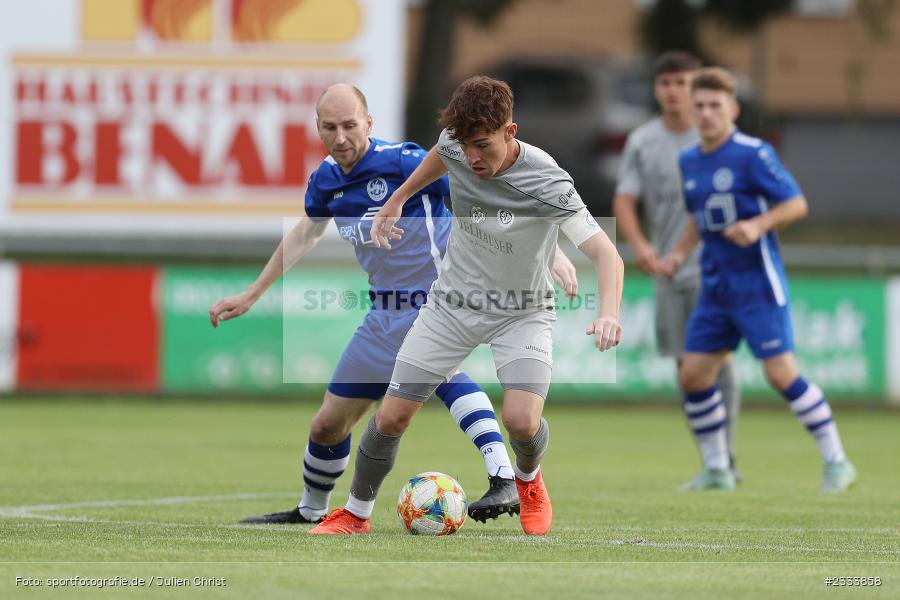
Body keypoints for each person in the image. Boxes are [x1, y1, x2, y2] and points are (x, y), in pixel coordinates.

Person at [209, 84, 580, 524]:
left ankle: (503, 476)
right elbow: (306, 233)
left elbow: (488, 195)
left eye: (350, 125)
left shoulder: (402, 161)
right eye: (330, 127)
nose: (341, 136)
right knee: (327, 425)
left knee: (445, 380)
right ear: (318, 129)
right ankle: (311, 511)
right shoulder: (327, 179)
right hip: (381, 312)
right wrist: (253, 292)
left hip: (437, 298)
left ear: (369, 123)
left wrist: (550, 252)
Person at [309, 76, 623, 536]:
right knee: (392, 415)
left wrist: (609, 312)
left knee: (520, 421)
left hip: (523, 310)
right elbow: (439, 157)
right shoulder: (456, 146)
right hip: (450, 304)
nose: (472, 157)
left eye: (483, 145)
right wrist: (398, 199)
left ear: (510, 131)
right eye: (465, 145)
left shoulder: (548, 180)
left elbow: (605, 253)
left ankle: (529, 479)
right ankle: (355, 514)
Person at [658, 67, 856, 492]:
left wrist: (759, 225)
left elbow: (796, 203)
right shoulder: (689, 159)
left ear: (733, 109)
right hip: (716, 286)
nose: (707, 114)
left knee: (781, 375)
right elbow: (697, 216)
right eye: (701, 107)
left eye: (715, 106)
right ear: (691, 113)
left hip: (757, 284)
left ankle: (837, 461)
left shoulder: (754, 153)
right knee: (692, 375)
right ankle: (717, 469)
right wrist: (677, 253)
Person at [613, 52, 742, 484]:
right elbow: (625, 199)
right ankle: (712, 459)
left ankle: (726, 457)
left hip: (715, 268)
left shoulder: (718, 139)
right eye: (665, 82)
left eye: (681, 82)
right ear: (656, 89)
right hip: (667, 270)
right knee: (684, 367)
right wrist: (642, 248)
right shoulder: (643, 141)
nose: (673, 90)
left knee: (716, 361)